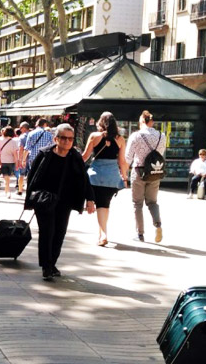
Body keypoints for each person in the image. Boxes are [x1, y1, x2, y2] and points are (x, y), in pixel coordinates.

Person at [25, 123, 95, 281]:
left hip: (65, 201)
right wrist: (31, 199)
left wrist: (90, 199)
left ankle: (52, 263)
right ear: (56, 139)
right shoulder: (45, 154)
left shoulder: (74, 156)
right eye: (63, 138)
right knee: (47, 232)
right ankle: (46, 266)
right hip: (45, 200)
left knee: (59, 233)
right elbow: (33, 178)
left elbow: (84, 179)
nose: (67, 142)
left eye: (70, 139)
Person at [81, 112, 127, 246]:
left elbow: (85, 157)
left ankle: (103, 234)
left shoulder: (95, 136)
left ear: (100, 123)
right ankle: (102, 233)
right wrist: (124, 177)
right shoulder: (120, 139)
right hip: (112, 177)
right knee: (104, 205)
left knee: (100, 204)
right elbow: (122, 161)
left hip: (96, 175)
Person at [125, 110, 166, 243]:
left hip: (139, 172)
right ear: (152, 122)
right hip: (154, 172)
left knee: (137, 203)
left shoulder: (136, 135)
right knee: (152, 202)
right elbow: (160, 152)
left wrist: (124, 173)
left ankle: (140, 234)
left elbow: (128, 157)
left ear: (142, 121)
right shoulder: (161, 135)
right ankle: (158, 224)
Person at [0, 126, 19, 198]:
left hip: (2, 161)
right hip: (11, 162)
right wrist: (17, 163)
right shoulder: (13, 142)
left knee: (5, 177)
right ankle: (7, 190)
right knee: (7, 177)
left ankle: (7, 190)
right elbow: (15, 154)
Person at [16, 121, 30, 195]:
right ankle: (29, 189)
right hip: (32, 157)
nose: (20, 129)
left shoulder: (22, 137)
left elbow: (21, 149)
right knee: (30, 174)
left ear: (24, 128)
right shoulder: (33, 135)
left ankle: (20, 190)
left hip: (24, 158)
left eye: (21, 127)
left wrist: (19, 159)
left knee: (21, 174)